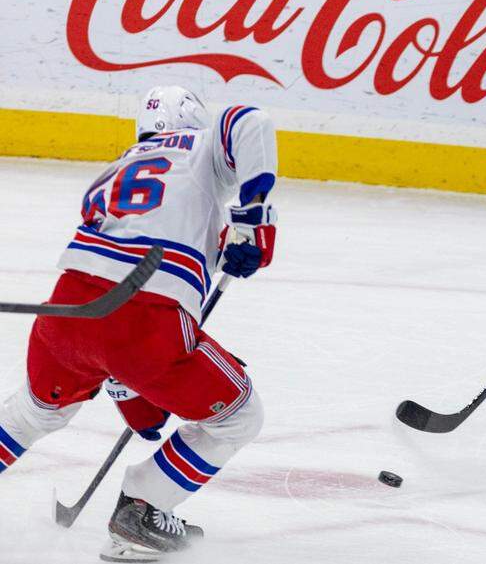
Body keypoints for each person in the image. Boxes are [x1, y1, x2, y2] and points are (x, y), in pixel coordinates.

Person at [0, 86, 278, 560]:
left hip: (65, 318)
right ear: (191, 120)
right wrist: (251, 218)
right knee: (238, 418)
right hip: (143, 323)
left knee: (33, 414)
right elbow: (250, 122)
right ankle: (143, 508)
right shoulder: (199, 147)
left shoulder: (114, 171)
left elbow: (107, 299)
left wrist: (129, 387)